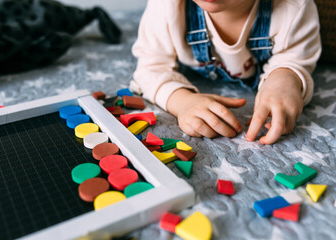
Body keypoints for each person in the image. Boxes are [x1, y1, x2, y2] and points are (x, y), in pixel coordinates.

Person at [130, 0, 321, 144]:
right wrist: (181, 101)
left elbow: (294, 58)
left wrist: (285, 77)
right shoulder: (167, 7)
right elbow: (150, 67)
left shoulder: (294, 8)